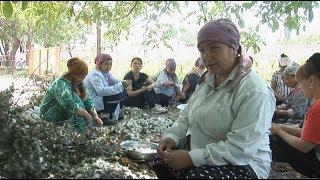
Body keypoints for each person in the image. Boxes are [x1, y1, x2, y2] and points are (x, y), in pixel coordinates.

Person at [150, 18, 276, 179]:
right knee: (159, 162)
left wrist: (190, 158)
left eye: (214, 48)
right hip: (203, 151)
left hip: (244, 162)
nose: (207, 57)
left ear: (234, 48)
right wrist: (172, 138)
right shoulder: (206, 81)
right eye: (202, 50)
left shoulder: (254, 90)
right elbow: (186, 116)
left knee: (198, 177)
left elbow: (240, 148)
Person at [270, 52, 320, 178]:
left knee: (274, 141)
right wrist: (282, 128)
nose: (300, 89)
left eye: (300, 83)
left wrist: (280, 132)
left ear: (311, 81)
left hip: (316, 163)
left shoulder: (317, 108)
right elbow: (308, 133)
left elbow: (304, 145)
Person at [39, 57, 103, 133]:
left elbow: (88, 101)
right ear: (72, 74)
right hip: (49, 114)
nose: (82, 79)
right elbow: (70, 104)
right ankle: (80, 133)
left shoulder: (79, 84)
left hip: (64, 112)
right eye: (81, 77)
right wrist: (87, 116)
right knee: (76, 110)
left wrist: (95, 116)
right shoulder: (60, 83)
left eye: (84, 77)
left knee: (80, 107)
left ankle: (82, 132)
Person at [84, 53, 131, 125]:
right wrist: (121, 86)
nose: (109, 66)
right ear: (99, 64)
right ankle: (104, 115)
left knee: (124, 91)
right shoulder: (94, 75)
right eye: (106, 64)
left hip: (102, 98)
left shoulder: (105, 73)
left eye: (110, 64)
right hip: (95, 100)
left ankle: (117, 111)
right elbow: (102, 91)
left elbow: (115, 81)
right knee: (119, 94)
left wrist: (123, 83)